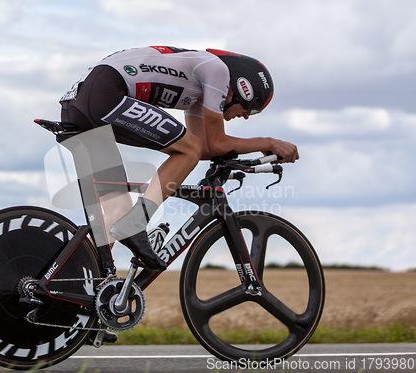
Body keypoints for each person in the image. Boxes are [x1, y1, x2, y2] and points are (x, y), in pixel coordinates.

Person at [60, 46, 299, 272]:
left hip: (82, 102)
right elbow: (212, 144)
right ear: (241, 87)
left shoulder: (197, 92)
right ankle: (136, 224)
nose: (247, 116)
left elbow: (204, 148)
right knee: (186, 152)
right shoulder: (218, 71)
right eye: (252, 107)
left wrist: (245, 154)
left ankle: (77, 285)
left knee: (114, 217)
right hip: (105, 93)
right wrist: (268, 143)